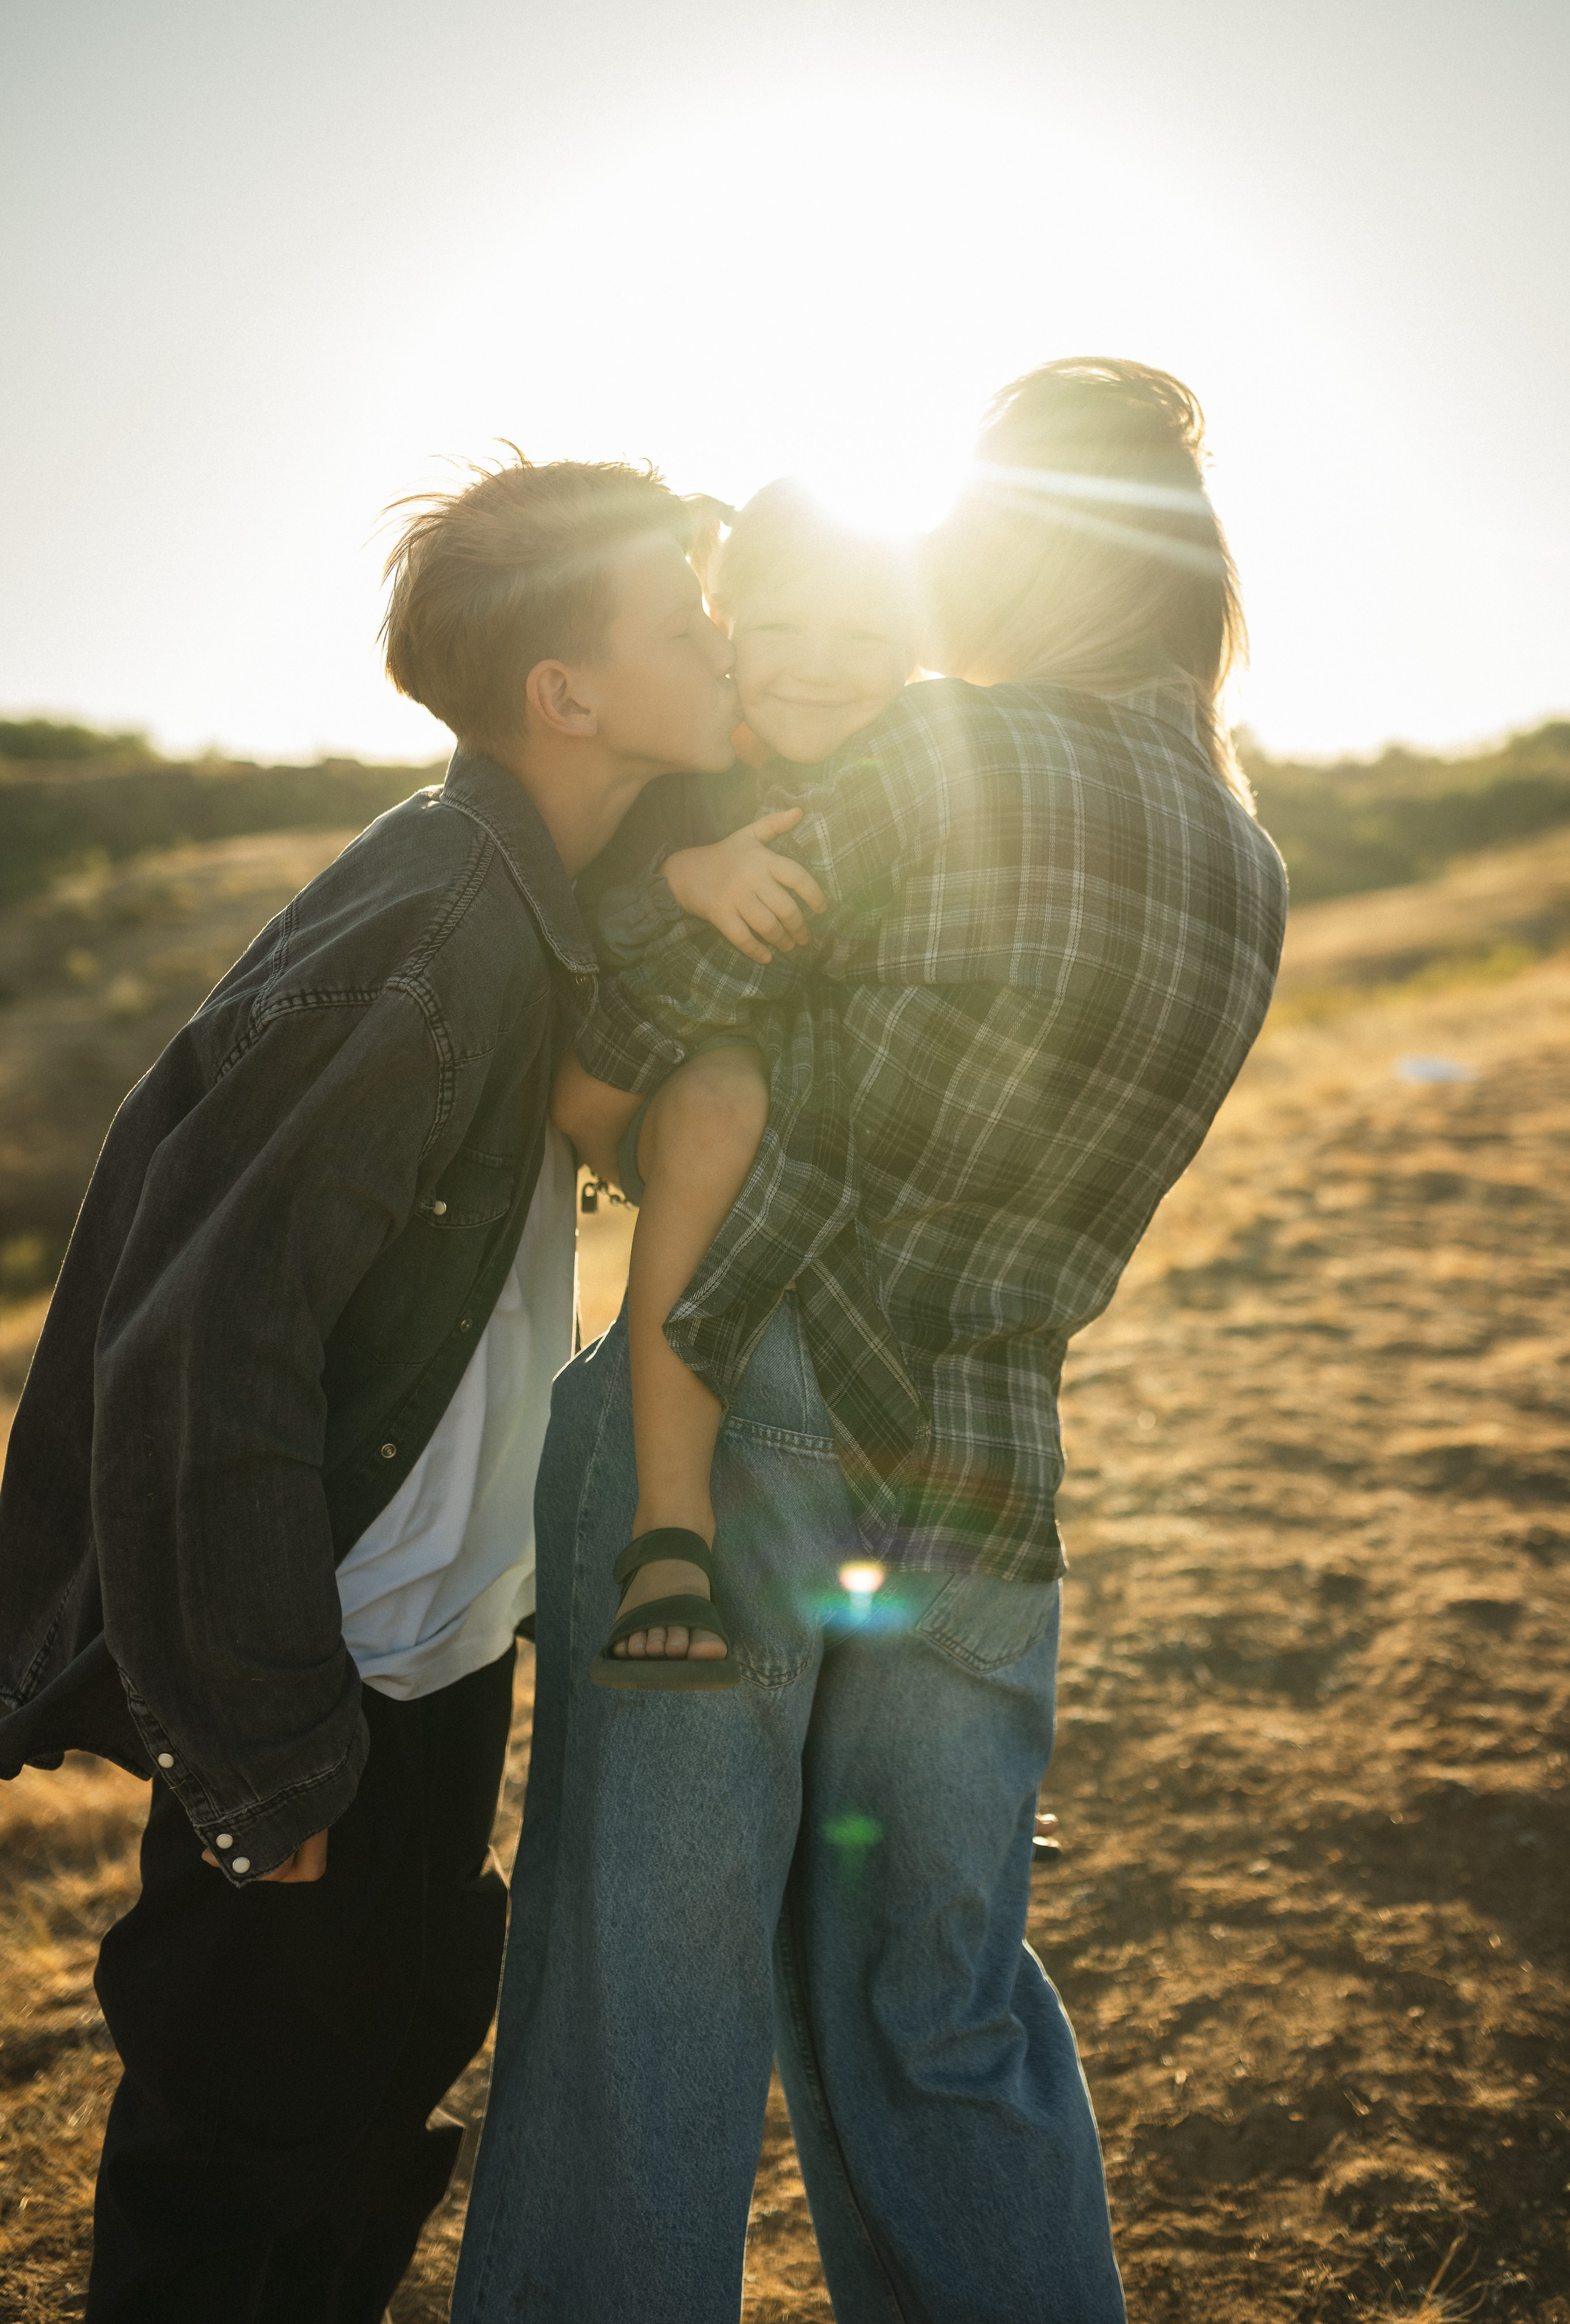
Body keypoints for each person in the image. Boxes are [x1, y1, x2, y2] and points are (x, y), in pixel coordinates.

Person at [453, 359, 1289, 2324]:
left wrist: (656, 891)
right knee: (941, 2010)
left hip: (745, 1412)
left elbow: (630, 1013)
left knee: (643, 2010)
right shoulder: (1247, 863)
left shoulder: (945, 756)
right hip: (991, 1488)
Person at [0, 456, 738, 2321]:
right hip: (324, 1663)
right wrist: (262, 1754)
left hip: (427, 1644)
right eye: (684, 615)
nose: (723, 639)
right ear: (564, 695)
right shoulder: (432, 935)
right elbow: (199, 1346)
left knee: (365, 2109)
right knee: (245, 2177)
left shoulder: (523, 883)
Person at [551, 481, 919, 1686]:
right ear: (723, 627)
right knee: (720, 1098)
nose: (820, 666)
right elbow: (584, 923)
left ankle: (920, 1698)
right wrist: (683, 881)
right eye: (781, 630)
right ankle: (669, 1529)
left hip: (851, 1136)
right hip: (683, 1100)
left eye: (863, 636)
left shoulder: (921, 770)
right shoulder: (687, 768)